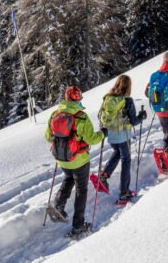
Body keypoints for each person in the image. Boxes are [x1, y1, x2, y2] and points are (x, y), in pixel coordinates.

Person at [44, 85, 104, 237]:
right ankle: (78, 226)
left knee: (68, 177)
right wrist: (102, 134)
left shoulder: (54, 114)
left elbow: (47, 137)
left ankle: (59, 204)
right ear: (78, 98)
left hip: (62, 158)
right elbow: (91, 139)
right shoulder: (81, 116)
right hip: (79, 159)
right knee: (81, 190)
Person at [97, 74, 147, 204]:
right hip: (123, 135)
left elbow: (100, 115)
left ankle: (104, 176)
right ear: (128, 86)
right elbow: (134, 121)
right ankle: (124, 192)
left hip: (111, 135)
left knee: (117, 153)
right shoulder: (127, 100)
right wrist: (141, 116)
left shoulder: (107, 98)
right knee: (126, 161)